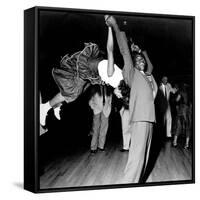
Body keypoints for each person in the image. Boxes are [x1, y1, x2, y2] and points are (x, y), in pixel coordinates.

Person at [105, 15, 158, 183]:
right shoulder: (132, 74)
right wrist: (114, 25)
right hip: (140, 118)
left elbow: (150, 66)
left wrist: (141, 51)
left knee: (145, 156)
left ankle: (137, 182)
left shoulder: (147, 75)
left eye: (142, 60)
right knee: (137, 156)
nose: (141, 61)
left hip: (150, 118)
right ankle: (129, 184)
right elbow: (124, 51)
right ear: (134, 64)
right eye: (138, 60)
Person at [40, 25, 118, 135]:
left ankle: (57, 104)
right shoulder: (112, 74)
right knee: (73, 92)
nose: (118, 96)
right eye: (121, 95)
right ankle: (45, 107)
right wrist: (111, 27)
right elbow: (110, 50)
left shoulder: (118, 81)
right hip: (87, 66)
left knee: (79, 89)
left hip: (93, 72)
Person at [89, 84, 113, 153]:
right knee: (95, 129)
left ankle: (101, 146)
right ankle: (93, 147)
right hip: (97, 110)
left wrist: (109, 108)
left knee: (104, 129)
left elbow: (110, 100)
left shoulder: (108, 89)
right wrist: (93, 107)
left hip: (106, 111)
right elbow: (90, 101)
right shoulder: (94, 88)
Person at [172, 83, 192, 149]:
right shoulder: (190, 93)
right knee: (188, 127)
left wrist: (175, 97)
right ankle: (187, 144)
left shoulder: (181, 92)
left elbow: (177, 100)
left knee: (178, 126)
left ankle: (174, 142)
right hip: (188, 110)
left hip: (182, 109)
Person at [114, 80, 131, 152]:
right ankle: (126, 147)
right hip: (126, 110)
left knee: (132, 129)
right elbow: (116, 92)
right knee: (125, 129)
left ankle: (131, 146)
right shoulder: (122, 83)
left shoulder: (133, 85)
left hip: (134, 110)